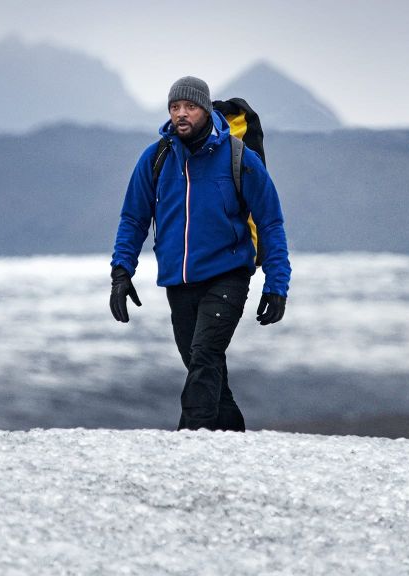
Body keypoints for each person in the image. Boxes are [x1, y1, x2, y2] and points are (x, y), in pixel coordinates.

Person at [109, 76, 291, 432]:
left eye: (189, 107)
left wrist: (277, 284)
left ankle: (187, 445)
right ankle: (232, 445)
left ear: (205, 110)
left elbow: (270, 222)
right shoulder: (156, 158)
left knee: (205, 357)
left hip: (228, 275)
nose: (181, 114)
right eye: (175, 107)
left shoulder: (240, 158)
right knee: (205, 371)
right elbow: (133, 219)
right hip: (179, 282)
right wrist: (121, 272)